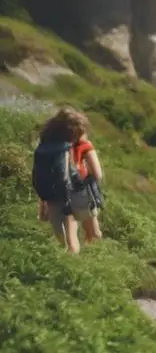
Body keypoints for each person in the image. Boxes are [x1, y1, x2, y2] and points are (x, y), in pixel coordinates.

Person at [32, 107, 104, 253]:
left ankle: (72, 259)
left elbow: (41, 175)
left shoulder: (46, 145)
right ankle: (86, 259)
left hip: (52, 196)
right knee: (90, 234)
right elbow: (97, 174)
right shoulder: (76, 147)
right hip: (76, 192)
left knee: (64, 240)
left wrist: (42, 203)